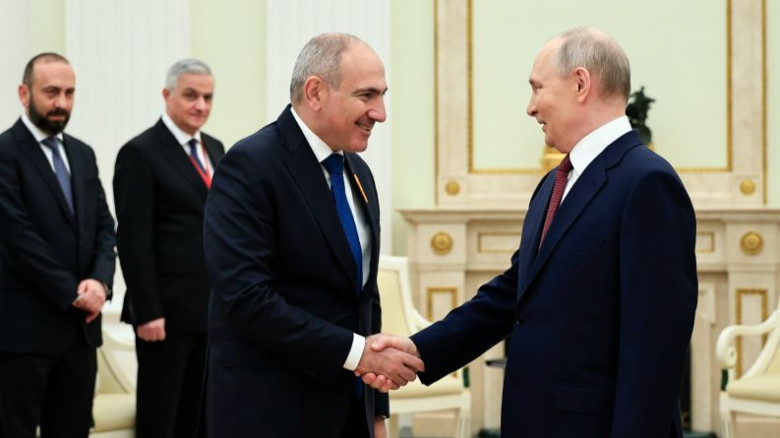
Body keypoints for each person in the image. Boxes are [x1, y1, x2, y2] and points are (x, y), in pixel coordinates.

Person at [367, 27, 698, 437]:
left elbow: (655, 351)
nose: (531, 107)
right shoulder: (553, 185)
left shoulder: (647, 183)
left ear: (580, 83)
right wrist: (421, 349)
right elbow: (514, 294)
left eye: (537, 87)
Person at [203, 33, 423, 438]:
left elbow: (364, 298)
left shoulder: (359, 172)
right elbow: (246, 299)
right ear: (316, 92)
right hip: (271, 412)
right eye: (367, 95)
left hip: (350, 413)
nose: (380, 113)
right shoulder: (250, 165)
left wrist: (376, 412)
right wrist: (358, 355)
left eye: (382, 96)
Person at [0, 53, 116, 437]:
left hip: (79, 335)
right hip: (23, 336)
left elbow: (104, 226)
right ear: (24, 93)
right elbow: (18, 238)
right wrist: (73, 293)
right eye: (51, 92)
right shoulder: (5, 153)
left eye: (69, 93)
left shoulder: (82, 154)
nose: (61, 103)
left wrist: (100, 283)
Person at [114, 58, 224, 438]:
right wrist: (147, 312)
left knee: (202, 416)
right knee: (163, 418)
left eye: (208, 97)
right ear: (167, 94)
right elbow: (133, 239)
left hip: (210, 309)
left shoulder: (215, 148)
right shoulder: (140, 152)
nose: (201, 105)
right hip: (164, 316)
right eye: (191, 95)